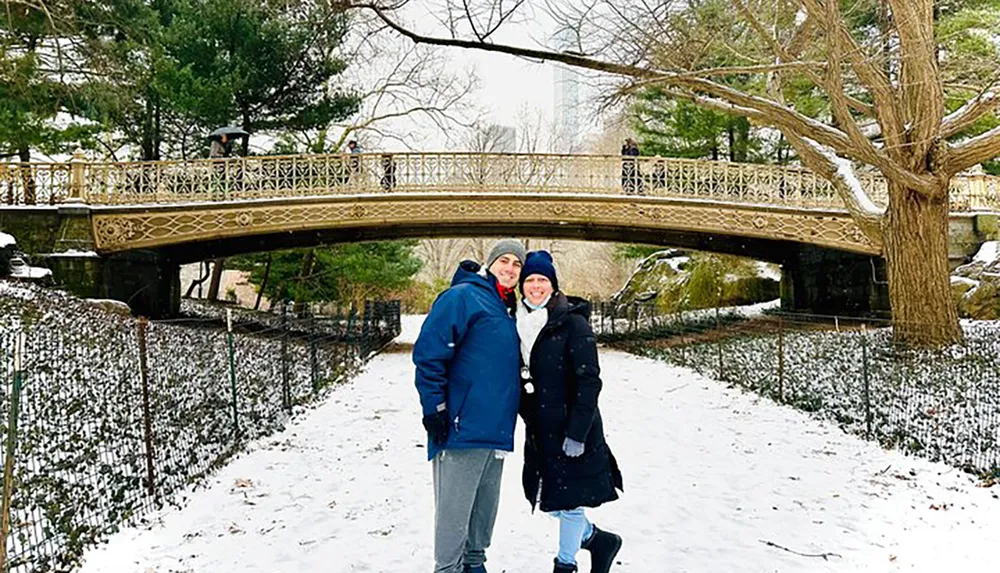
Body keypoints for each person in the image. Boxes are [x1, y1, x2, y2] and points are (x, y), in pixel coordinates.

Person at [413, 239, 527, 573]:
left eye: (516, 264)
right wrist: (434, 409)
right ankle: (447, 569)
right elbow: (429, 356)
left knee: (483, 513)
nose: (509, 268)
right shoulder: (463, 297)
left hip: (497, 429)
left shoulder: (508, 308)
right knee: (454, 514)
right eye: (503, 260)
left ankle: (475, 565)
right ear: (489, 264)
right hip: (462, 426)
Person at [516, 250, 624, 573]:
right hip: (541, 430)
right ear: (523, 286)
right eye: (530, 280)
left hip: (574, 430)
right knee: (551, 503)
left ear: (554, 285)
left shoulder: (572, 323)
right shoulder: (518, 323)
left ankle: (565, 565)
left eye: (542, 280)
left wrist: (577, 433)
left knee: (571, 504)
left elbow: (589, 381)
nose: (536, 286)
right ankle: (598, 540)